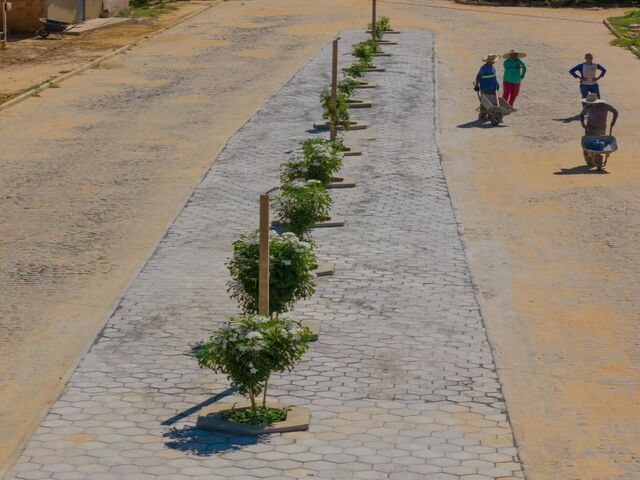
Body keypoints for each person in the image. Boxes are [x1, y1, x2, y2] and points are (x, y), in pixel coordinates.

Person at [579, 92, 618, 167]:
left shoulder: (605, 106)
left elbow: (615, 112)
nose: (590, 103)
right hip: (590, 128)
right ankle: (589, 161)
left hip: (601, 128)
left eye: (591, 102)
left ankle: (596, 158)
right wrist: (583, 124)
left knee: (598, 145)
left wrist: (613, 122)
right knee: (588, 145)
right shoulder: (588, 106)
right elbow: (581, 115)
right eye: (589, 102)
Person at [474, 54, 500, 120]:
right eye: (492, 61)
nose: (493, 62)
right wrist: (477, 85)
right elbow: (479, 76)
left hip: (493, 87)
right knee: (485, 102)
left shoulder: (493, 67)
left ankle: (490, 116)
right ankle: (482, 116)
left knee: (492, 102)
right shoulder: (484, 68)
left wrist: (497, 84)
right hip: (485, 87)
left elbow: (494, 77)